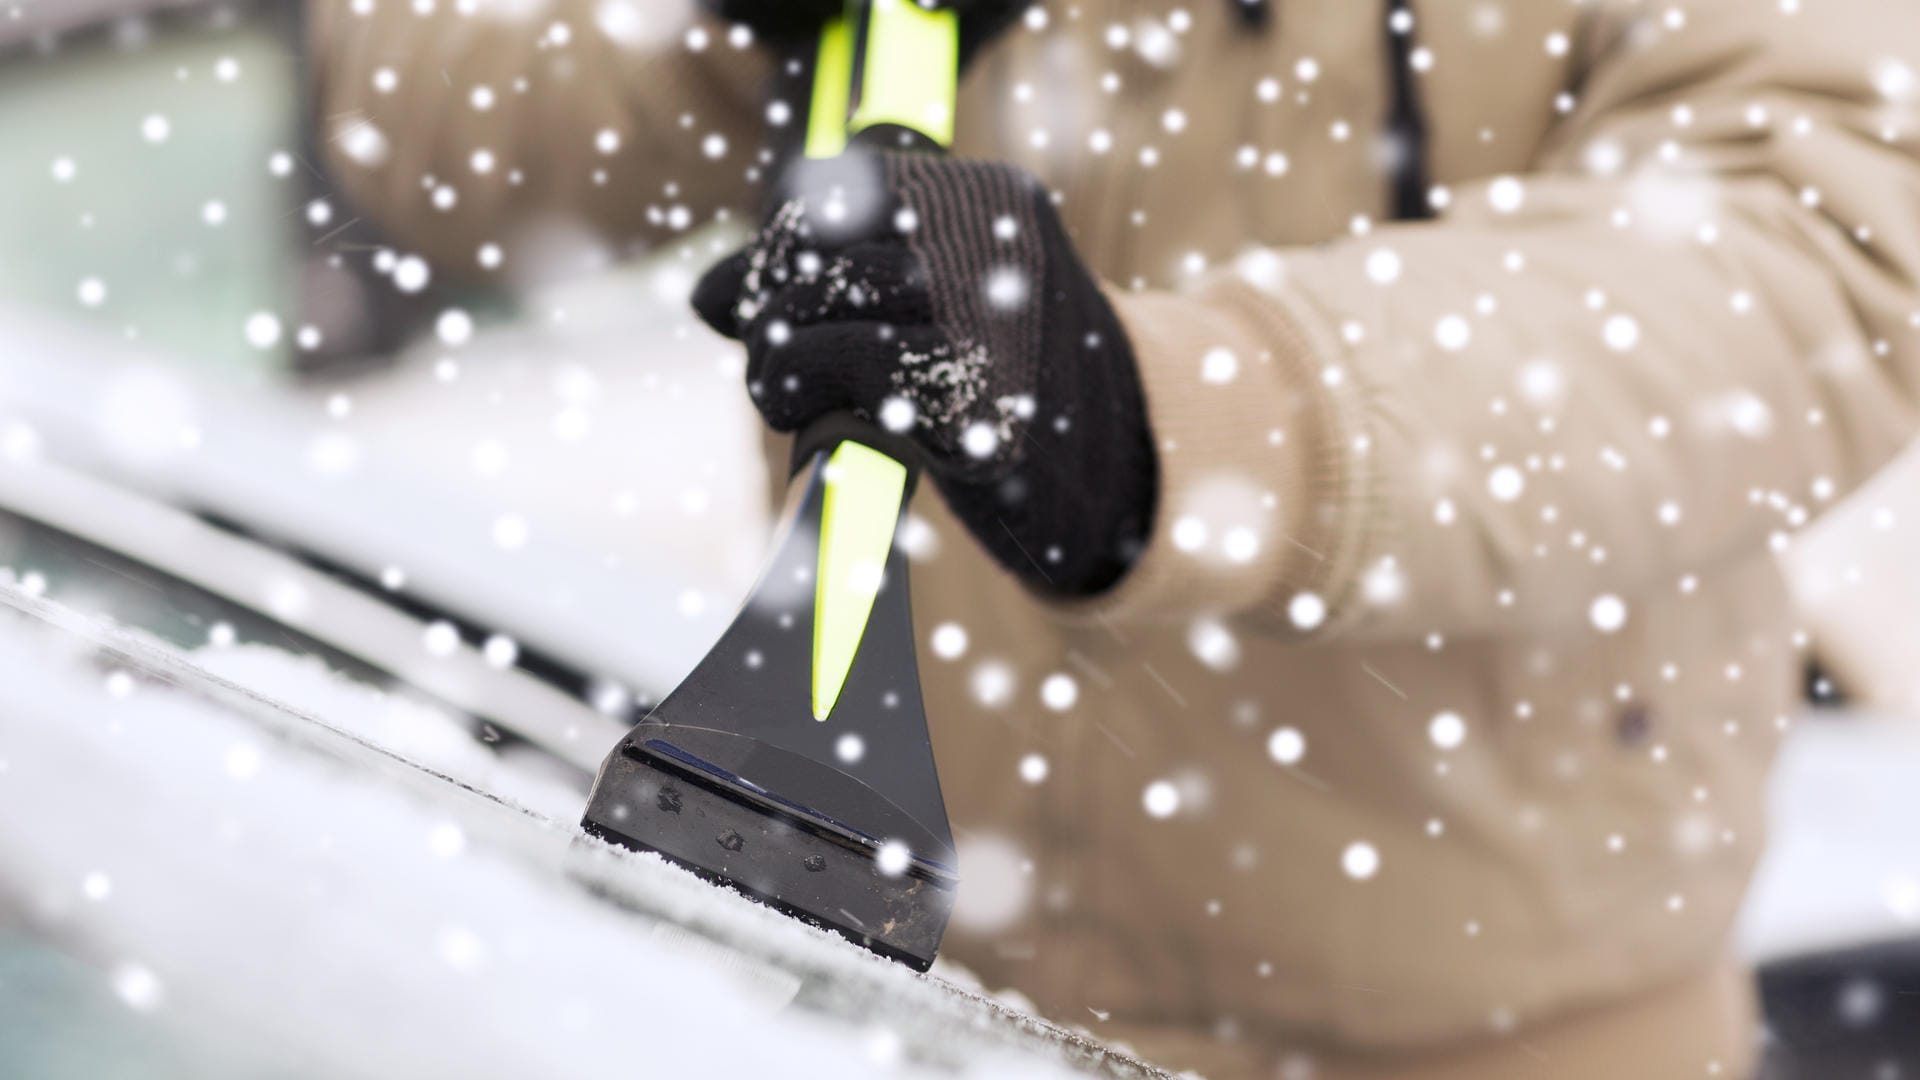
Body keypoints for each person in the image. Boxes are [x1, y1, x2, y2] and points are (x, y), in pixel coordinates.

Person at [309, 1, 1920, 1076]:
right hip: (894, 986)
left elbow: (1817, 244)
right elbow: (435, 134)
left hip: (1499, 1027)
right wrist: (735, 24)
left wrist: (1176, 420)